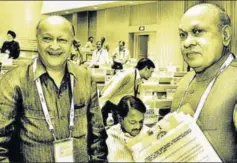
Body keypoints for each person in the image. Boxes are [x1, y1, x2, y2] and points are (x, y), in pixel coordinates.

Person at [0, 16, 107, 162]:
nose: (54, 46)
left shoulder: (85, 79)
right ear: (37, 40)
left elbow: (97, 138)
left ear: (72, 43)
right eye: (47, 39)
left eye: (62, 40)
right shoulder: (13, 81)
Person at [171, 3, 237, 162]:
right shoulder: (186, 79)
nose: (187, 43)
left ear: (225, 35)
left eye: (197, 32)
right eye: (182, 35)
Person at [100, 58, 155, 125]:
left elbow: (139, 96)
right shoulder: (128, 74)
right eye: (151, 72)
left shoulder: (138, 79)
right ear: (146, 68)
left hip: (121, 110)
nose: (151, 75)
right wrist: (98, 110)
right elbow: (110, 90)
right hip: (112, 110)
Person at [106, 95, 150, 162]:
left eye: (141, 121)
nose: (138, 127)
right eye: (133, 122)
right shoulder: (109, 137)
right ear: (120, 118)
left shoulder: (148, 133)